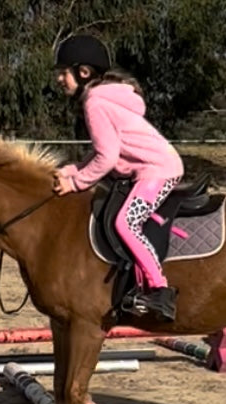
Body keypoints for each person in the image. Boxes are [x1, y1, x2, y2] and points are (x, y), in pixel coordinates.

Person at [53, 34, 184, 322]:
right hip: (151, 167)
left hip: (157, 171)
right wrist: (74, 169)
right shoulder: (102, 97)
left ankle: (159, 291)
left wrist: (75, 183)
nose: (60, 79)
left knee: (125, 222)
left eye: (64, 72)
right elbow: (103, 150)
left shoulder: (94, 104)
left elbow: (107, 159)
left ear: (83, 72)